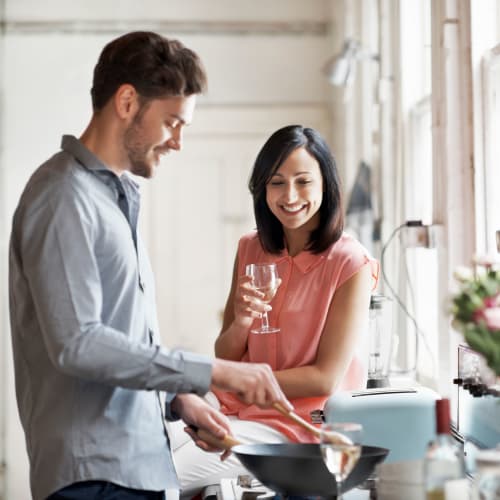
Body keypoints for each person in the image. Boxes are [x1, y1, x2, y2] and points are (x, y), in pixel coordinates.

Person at [8, 31, 291, 500]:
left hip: (133, 468)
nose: (178, 142)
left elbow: (122, 343)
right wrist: (215, 371)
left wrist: (177, 399)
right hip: (94, 479)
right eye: (172, 122)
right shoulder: (63, 197)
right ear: (126, 102)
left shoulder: (116, 196)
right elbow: (78, 344)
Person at [172, 124, 378, 496]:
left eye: (303, 181)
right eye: (277, 182)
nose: (290, 196)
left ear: (325, 186)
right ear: (262, 188)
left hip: (295, 423)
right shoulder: (251, 247)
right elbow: (226, 353)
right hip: (232, 404)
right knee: (141, 445)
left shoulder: (351, 263)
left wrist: (245, 381)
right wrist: (243, 320)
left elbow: (325, 379)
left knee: (162, 473)